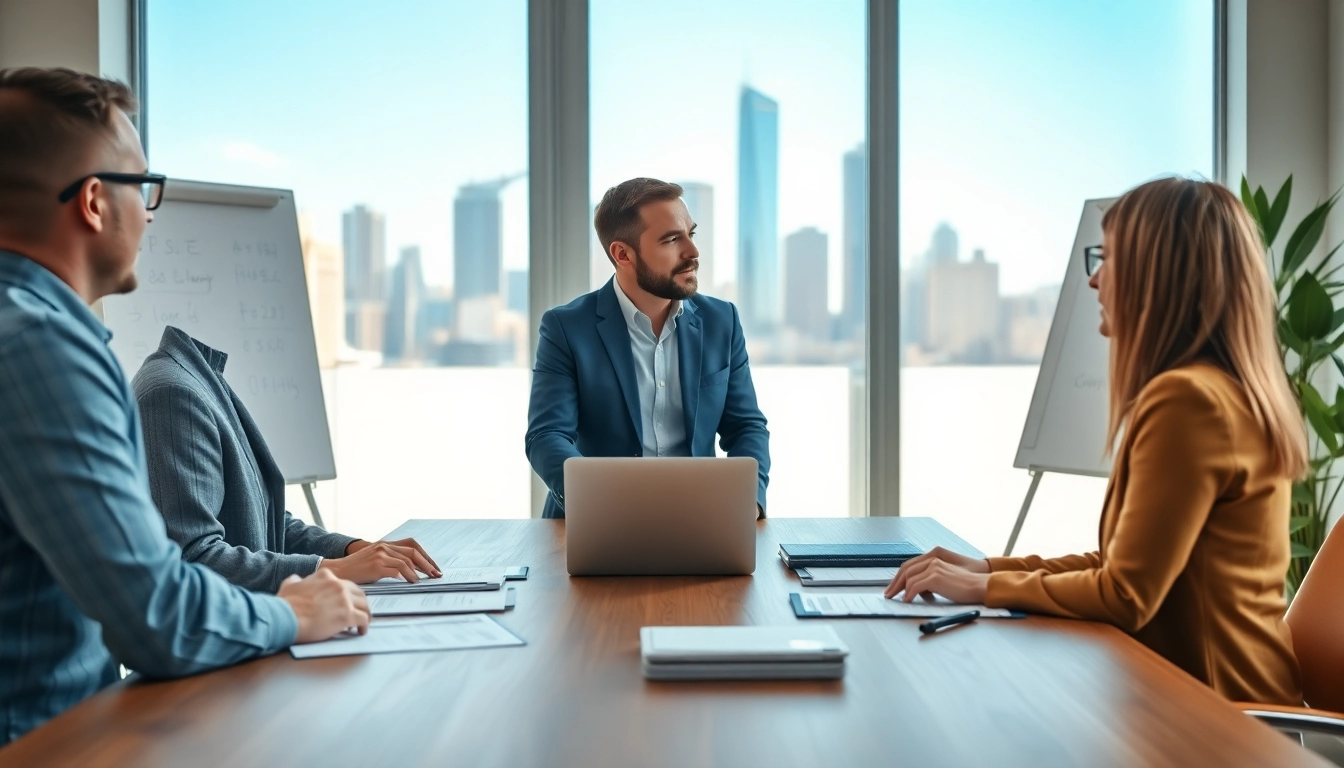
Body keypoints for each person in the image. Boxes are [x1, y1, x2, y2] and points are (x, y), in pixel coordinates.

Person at [0, 67, 369, 744]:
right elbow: (156, 617)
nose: (149, 213)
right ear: (94, 202)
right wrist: (295, 612)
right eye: (142, 187)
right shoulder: (41, 348)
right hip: (45, 742)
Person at [885, 177, 1307, 706]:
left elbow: (1125, 595)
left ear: (1157, 274)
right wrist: (986, 569)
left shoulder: (1188, 401)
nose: (1093, 279)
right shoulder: (1218, 391)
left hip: (1223, 720)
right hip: (1207, 701)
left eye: (1107, 258)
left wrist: (981, 589)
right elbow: (1120, 565)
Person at [526, 177, 770, 519]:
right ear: (623, 254)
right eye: (671, 240)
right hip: (596, 519)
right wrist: (596, 501)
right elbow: (547, 435)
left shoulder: (721, 320)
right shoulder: (566, 327)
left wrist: (748, 500)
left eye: (691, 234)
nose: (692, 252)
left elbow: (745, 426)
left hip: (701, 519)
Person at [134, 326, 442, 591]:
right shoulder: (173, 395)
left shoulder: (199, 380)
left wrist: (353, 550)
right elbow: (194, 558)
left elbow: (268, 524)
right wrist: (331, 569)